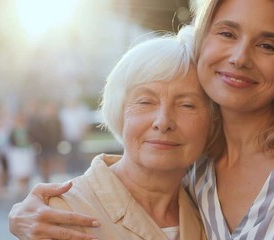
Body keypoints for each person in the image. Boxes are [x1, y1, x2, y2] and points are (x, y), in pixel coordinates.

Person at [9, 0, 274, 239]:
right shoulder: (197, 173)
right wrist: (22, 216)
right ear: (205, 41)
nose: (240, 57)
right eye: (227, 33)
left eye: (268, 45)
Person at [12, 27, 217, 239]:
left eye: (187, 105)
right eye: (145, 101)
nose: (163, 122)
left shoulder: (213, 212)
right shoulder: (60, 216)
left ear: (213, 121)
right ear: (119, 112)